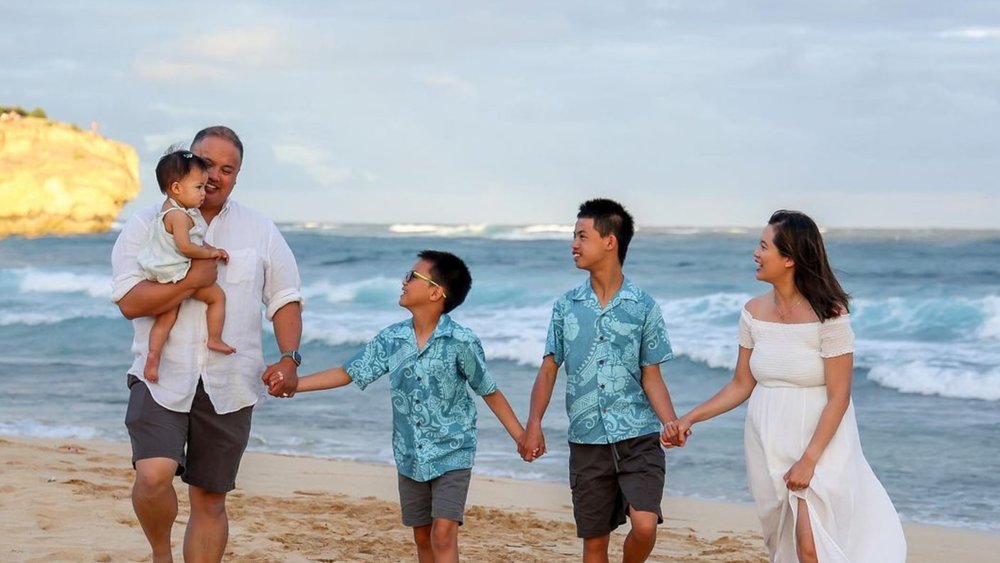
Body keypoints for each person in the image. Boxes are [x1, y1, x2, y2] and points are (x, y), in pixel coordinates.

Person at [664, 210, 906, 563]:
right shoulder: (752, 312)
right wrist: (689, 419)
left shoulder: (830, 315)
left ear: (789, 258)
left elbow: (839, 396)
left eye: (764, 246)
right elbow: (741, 384)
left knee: (810, 545)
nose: (756, 254)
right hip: (766, 437)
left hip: (821, 440)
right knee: (786, 543)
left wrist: (809, 460)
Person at [111, 126, 304, 563]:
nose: (214, 175)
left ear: (237, 176)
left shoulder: (260, 229)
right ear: (184, 165)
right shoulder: (147, 223)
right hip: (160, 373)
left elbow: (285, 298)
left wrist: (290, 357)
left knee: (210, 498)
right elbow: (129, 301)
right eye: (206, 163)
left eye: (227, 169)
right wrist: (191, 283)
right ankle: (161, 553)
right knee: (154, 474)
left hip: (230, 381)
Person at [267, 250, 524, 563]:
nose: (404, 281)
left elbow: (489, 390)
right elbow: (348, 372)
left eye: (413, 276)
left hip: (453, 450)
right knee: (422, 536)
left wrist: (521, 436)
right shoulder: (392, 338)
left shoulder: (461, 341)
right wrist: (295, 385)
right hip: (409, 453)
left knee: (443, 533)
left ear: (436, 292)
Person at [518, 198, 681, 563]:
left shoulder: (643, 306)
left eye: (582, 236)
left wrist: (670, 421)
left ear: (611, 241)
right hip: (586, 439)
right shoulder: (566, 306)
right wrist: (533, 424)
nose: (574, 245)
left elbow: (651, 374)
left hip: (639, 436)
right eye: (574, 236)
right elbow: (548, 369)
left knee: (644, 525)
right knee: (594, 544)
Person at [138, 149, 235, 383]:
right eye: (198, 187)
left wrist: (209, 246)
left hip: (160, 272)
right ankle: (214, 338)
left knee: (167, 316)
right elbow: (186, 247)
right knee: (217, 298)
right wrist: (209, 253)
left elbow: (195, 239)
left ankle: (153, 356)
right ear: (177, 188)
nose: (204, 192)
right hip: (178, 273)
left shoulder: (167, 209)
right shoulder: (180, 217)